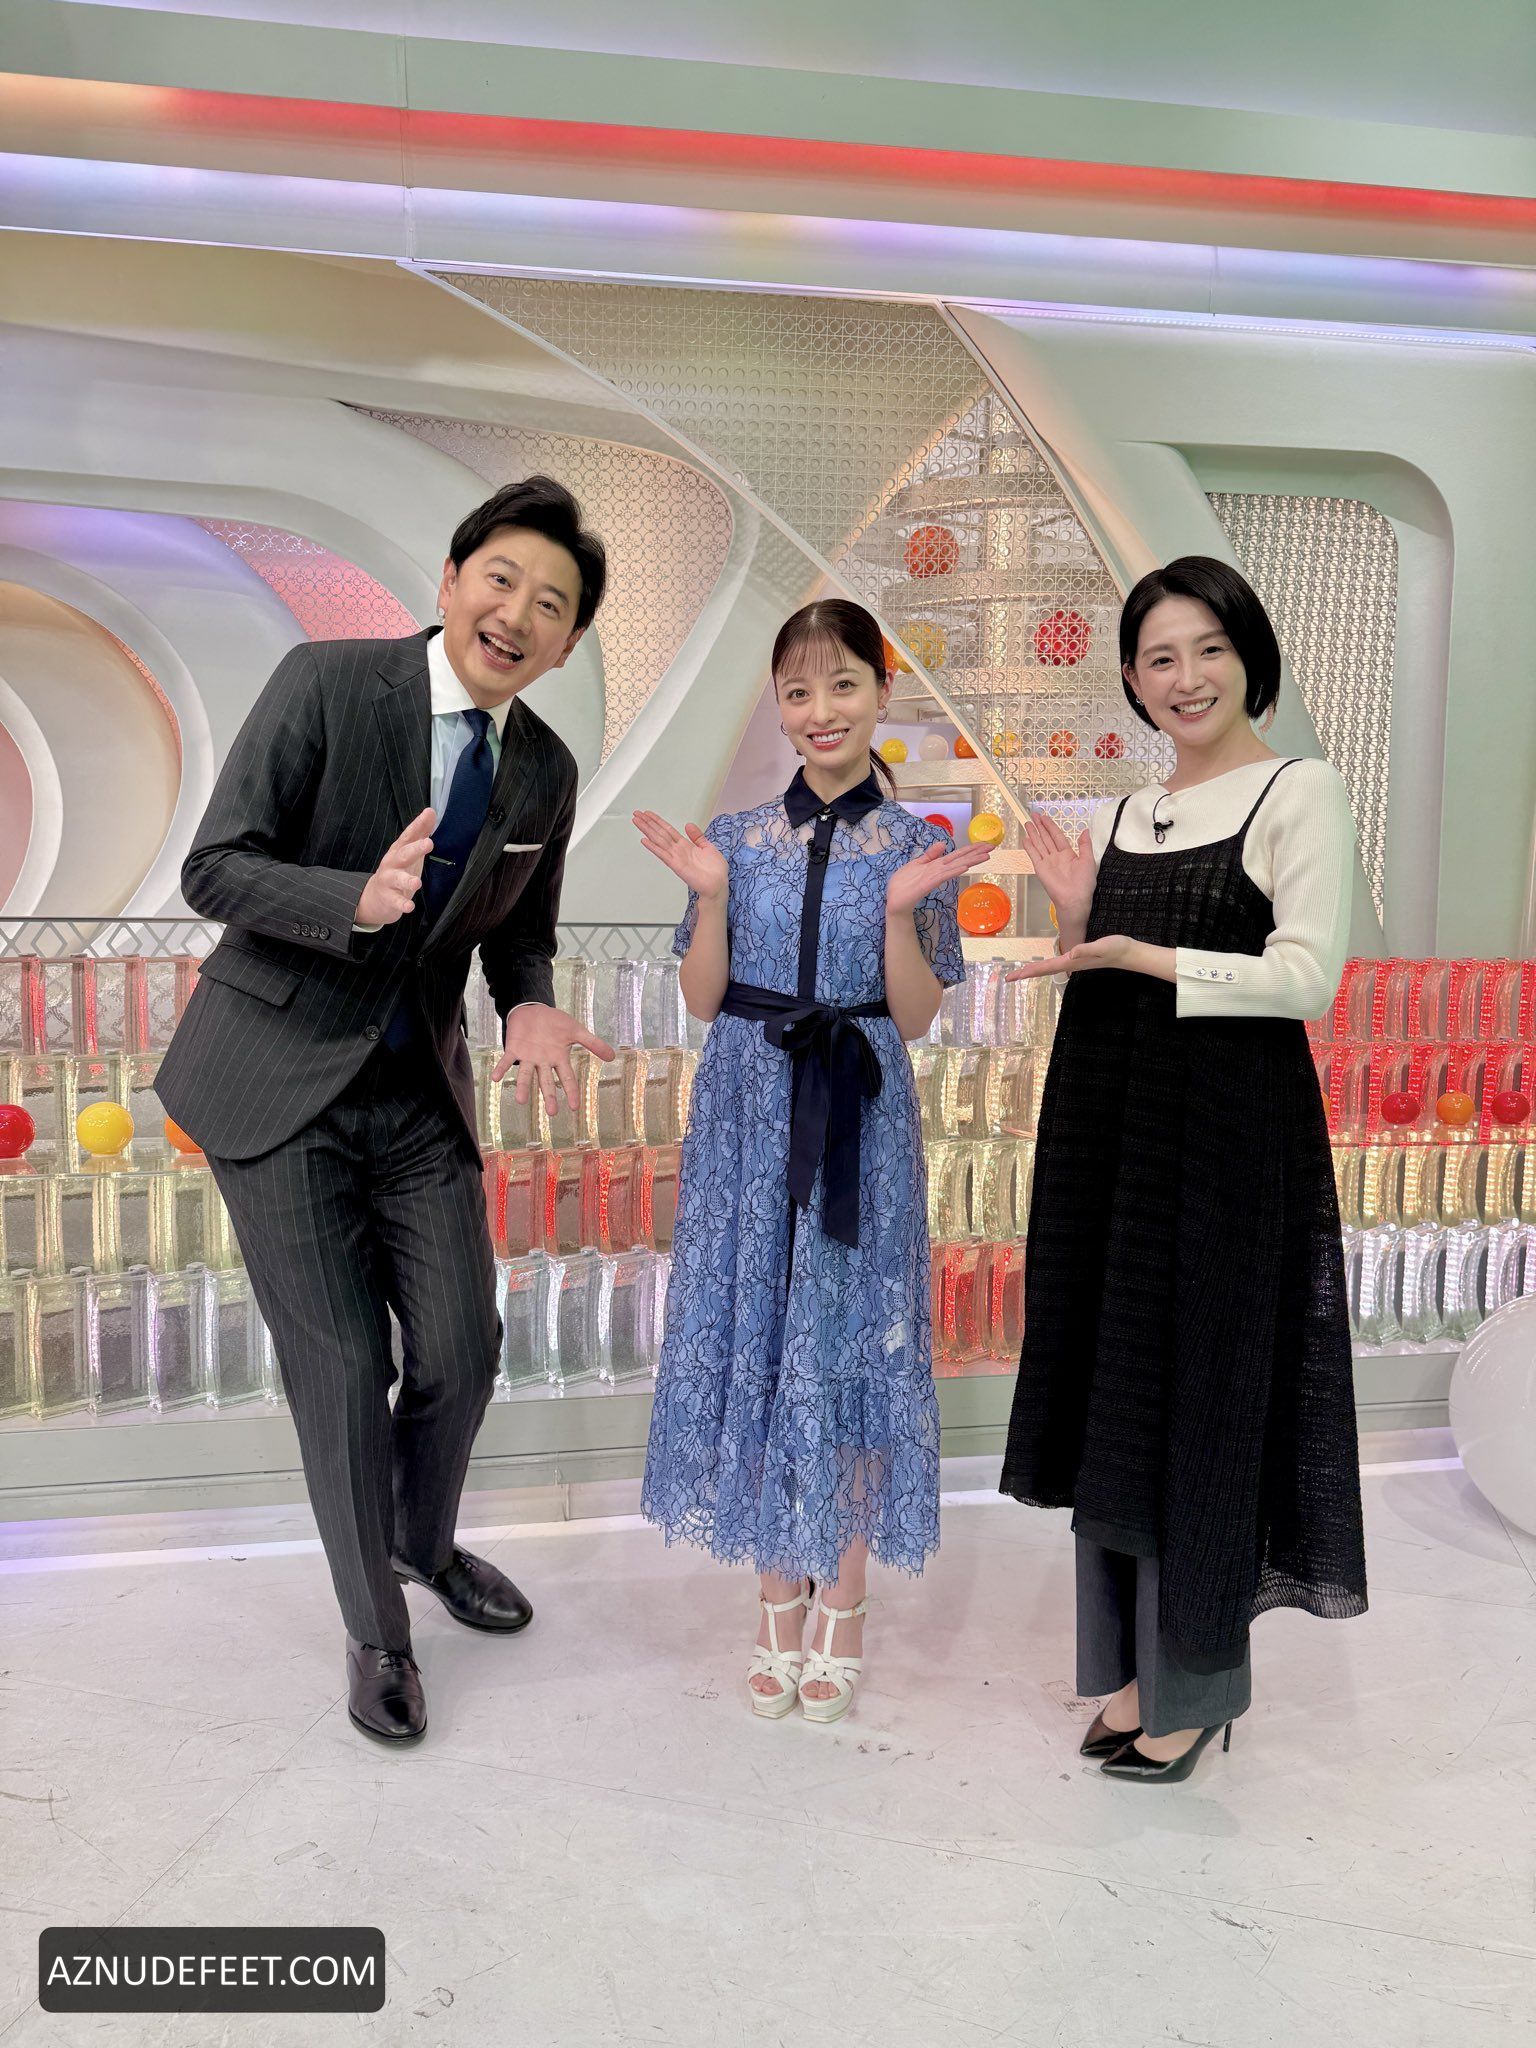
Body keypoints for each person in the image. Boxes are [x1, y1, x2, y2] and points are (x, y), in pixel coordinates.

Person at [158, 477, 615, 1745]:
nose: (517, 612)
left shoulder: (544, 770)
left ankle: (422, 1539)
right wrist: (347, 901)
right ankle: (378, 1629)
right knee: (348, 1367)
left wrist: (530, 1002)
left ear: (569, 641)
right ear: (452, 581)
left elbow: (521, 934)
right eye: (501, 579)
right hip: (275, 1074)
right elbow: (215, 865)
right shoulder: (326, 681)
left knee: (464, 1348)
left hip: (416, 1088)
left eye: (552, 603)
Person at [1001, 555, 1367, 1782]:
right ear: (1131, 678)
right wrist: (1073, 918)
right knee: (1116, 1393)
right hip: (1113, 1137)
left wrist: (1140, 953)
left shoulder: (1299, 790)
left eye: (1209, 646)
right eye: (1159, 656)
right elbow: (1097, 972)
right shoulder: (1123, 813)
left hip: (1224, 1143)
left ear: (1249, 654)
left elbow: (1307, 979)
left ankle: (1196, 1684)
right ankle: (1128, 1671)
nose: (1187, 675)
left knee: (1201, 1395)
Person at [634, 597, 986, 1723]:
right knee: (759, 1329)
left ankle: (845, 1597)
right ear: (779, 707)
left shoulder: (920, 850)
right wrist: (709, 897)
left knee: (844, 1339)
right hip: (746, 1110)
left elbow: (917, 1017)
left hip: (859, 1110)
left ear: (883, 691)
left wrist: (899, 916)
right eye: (797, 690)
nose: (820, 709)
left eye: (843, 683)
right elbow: (703, 999)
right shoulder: (734, 840)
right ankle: (773, 1595)